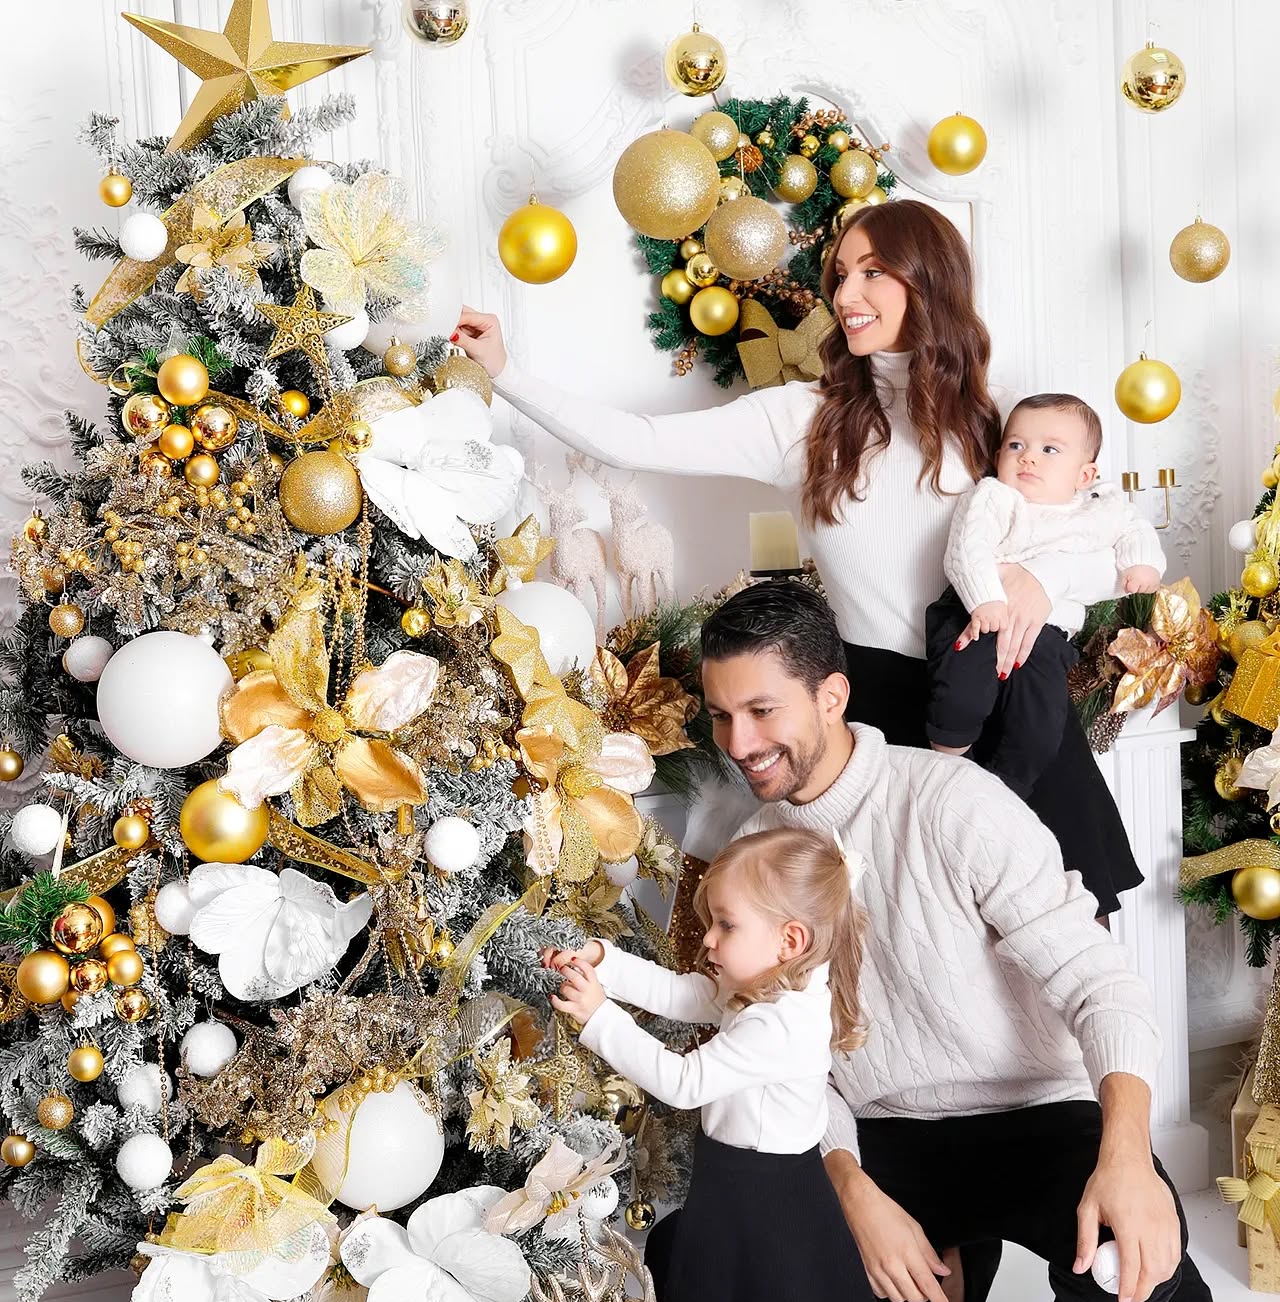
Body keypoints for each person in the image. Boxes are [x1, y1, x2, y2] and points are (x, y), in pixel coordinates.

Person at [453, 198, 1141, 916]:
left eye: (872, 272)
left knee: (1058, 965)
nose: (845, 295)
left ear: (930, 280)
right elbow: (637, 441)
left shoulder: (1001, 420)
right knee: (915, 958)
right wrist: (506, 371)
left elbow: (1100, 538)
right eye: (840, 274)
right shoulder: (801, 420)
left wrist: (1043, 578)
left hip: (1008, 698)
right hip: (884, 720)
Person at [689, 579, 1198, 1302]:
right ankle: (954, 1278)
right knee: (794, 1256)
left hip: (1033, 1111)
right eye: (723, 716)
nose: (740, 744)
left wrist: (1127, 1153)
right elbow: (787, 1070)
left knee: (1132, 1271)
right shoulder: (753, 852)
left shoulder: (954, 804)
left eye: (762, 710)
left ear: (832, 696)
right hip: (892, 1131)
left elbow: (1101, 983)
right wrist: (850, 1186)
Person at [542, 827, 903, 1302]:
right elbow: (685, 993)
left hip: (767, 1203)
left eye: (726, 924)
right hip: (753, 1190)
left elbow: (681, 1083)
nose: (708, 939)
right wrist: (605, 965)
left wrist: (597, 1018)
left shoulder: (779, 1021)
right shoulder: (781, 981)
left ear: (788, 936)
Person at [926, 393, 1165, 797]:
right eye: (1016, 445)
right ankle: (947, 757)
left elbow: (1134, 529)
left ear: (1085, 475)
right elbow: (967, 547)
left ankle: (1006, 790)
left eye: (1049, 449)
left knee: (1040, 725)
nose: (1028, 457)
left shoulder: (1099, 509)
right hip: (977, 615)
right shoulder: (994, 497)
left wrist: (1141, 564)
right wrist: (985, 599)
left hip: (1049, 636)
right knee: (960, 696)